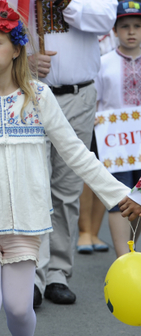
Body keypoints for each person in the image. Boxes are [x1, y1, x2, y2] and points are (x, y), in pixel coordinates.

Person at [0, 2, 140, 335]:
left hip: (26, 221)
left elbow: (77, 153)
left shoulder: (39, 97)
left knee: (19, 309)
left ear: (16, 48)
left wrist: (121, 194)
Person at [23, 0, 118, 307]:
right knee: (34, 184)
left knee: (67, 188)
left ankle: (58, 274)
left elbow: (105, 19)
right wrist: (24, 61)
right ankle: (33, 274)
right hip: (30, 93)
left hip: (78, 96)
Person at [95, 0, 141, 257]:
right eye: (125, 26)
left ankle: (132, 251)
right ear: (114, 31)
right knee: (119, 198)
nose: (131, 31)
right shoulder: (103, 63)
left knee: (140, 197)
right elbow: (96, 100)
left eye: (137, 26)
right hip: (116, 144)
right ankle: (123, 259)